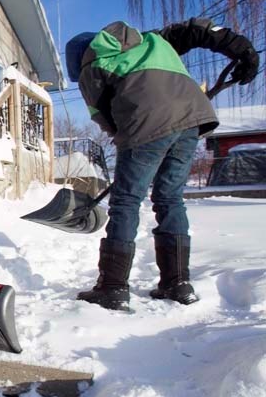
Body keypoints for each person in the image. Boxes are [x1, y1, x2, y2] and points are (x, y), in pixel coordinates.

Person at [66, 18, 260, 311]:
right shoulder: (152, 40)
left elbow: (104, 117)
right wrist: (243, 50)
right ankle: (177, 283)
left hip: (146, 123)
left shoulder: (90, 68)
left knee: (126, 201)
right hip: (191, 118)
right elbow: (200, 29)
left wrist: (131, 144)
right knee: (170, 198)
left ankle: (112, 287)